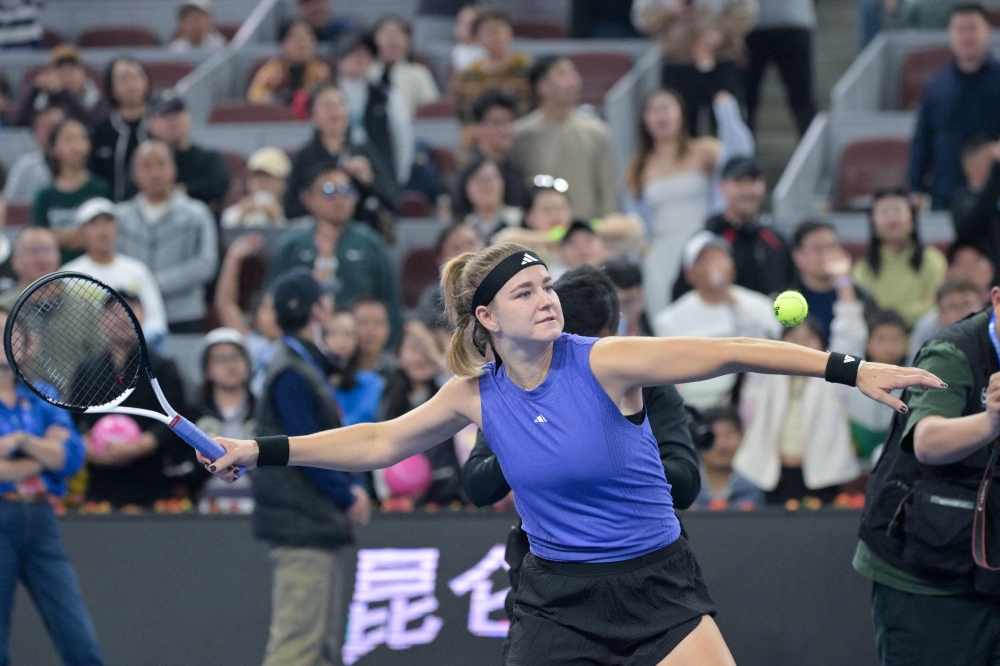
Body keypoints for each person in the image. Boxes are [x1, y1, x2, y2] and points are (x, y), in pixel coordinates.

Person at [204, 242, 943, 666]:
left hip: (658, 588)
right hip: (556, 599)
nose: (546, 299)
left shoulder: (606, 361)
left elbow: (729, 352)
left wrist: (851, 368)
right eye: (525, 293)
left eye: (546, 286)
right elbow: (376, 441)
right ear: (487, 318)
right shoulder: (474, 393)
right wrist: (256, 449)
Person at [461, 263, 701, 661]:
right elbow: (476, 485)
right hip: (549, 582)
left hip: (646, 573)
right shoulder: (513, 387)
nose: (587, 362)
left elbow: (687, 482)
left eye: (597, 348)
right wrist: (538, 447)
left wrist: (611, 458)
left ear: (615, 333)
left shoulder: (644, 378)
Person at [854, 287, 1000, 666]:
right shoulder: (953, 352)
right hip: (926, 572)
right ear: (997, 300)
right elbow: (927, 440)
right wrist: (990, 422)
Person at [251, 269, 371, 666]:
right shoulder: (292, 371)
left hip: (311, 523)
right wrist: (347, 493)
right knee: (297, 647)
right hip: (302, 524)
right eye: (326, 301)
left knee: (319, 649)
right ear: (316, 310)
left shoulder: (299, 365)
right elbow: (305, 450)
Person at [0, 307, 104, 666]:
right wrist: (44, 451)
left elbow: (73, 458)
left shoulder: (44, 392)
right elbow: (57, 457)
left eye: (9, 331)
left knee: (81, 644)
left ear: (29, 345)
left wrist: (18, 442)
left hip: (42, 521)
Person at [624, 88, 754, 314]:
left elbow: (740, 157)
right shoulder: (638, 167)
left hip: (702, 247)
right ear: (644, 120)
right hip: (661, 255)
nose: (661, 116)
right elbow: (633, 216)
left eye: (666, 108)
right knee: (666, 319)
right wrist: (641, 248)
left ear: (681, 114)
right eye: (653, 111)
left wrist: (727, 113)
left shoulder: (703, 151)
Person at [73, 292, 197, 508]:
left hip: (152, 483)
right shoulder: (87, 369)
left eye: (130, 311)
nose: (122, 318)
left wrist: (139, 446)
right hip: (100, 485)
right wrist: (85, 446)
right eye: (114, 312)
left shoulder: (163, 367)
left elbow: (176, 420)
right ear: (102, 320)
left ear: (143, 317)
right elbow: (73, 420)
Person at [735, 316, 866, 505]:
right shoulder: (766, 374)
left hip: (823, 475)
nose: (801, 343)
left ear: (822, 344)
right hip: (775, 475)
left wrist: (843, 286)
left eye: (809, 337)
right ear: (780, 343)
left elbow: (850, 338)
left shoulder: (834, 380)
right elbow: (749, 342)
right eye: (794, 337)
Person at [268, 164, 403, 344]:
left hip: (360, 341)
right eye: (329, 191)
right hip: (303, 339)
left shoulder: (370, 243)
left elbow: (390, 302)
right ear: (308, 198)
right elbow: (270, 301)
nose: (339, 198)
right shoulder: (292, 245)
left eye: (346, 190)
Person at [654, 231, 781, 409]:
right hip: (695, 407)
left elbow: (768, 354)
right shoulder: (669, 320)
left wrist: (725, 294)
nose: (715, 265)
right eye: (704, 260)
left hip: (752, 404)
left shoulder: (761, 306)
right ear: (689, 274)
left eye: (720, 257)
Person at [114, 141, 219, 334]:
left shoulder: (197, 213)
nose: (155, 173)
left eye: (161, 164)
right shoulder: (120, 217)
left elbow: (206, 263)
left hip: (184, 314)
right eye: (146, 166)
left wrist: (154, 284)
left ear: (174, 169)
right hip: (132, 316)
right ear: (134, 174)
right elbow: (114, 261)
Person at [908, 4, 1000, 210]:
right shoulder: (936, 86)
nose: (966, 36)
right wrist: (915, 187)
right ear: (949, 33)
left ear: (988, 31)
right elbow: (922, 140)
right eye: (959, 29)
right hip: (946, 191)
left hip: (994, 190)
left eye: (972, 28)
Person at [511, 56, 619, 221]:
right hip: (537, 236)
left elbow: (607, 192)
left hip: (584, 233)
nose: (573, 81)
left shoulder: (597, 132)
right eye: (562, 74)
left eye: (574, 74)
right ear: (542, 86)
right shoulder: (521, 136)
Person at [675, 156, 794, 302]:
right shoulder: (706, 240)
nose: (747, 191)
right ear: (722, 187)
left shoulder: (774, 239)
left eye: (753, 181)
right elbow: (682, 294)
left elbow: (792, 285)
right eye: (739, 182)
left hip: (772, 321)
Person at [631, 0, 757, 136]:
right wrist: (668, 12)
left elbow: (746, 12)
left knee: (728, 122)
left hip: (721, 59)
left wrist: (719, 33)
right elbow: (641, 20)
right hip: (677, 62)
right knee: (681, 128)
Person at [61, 197, 170, 349]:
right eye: (94, 223)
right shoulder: (67, 275)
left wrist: (131, 346)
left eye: (108, 222)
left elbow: (155, 319)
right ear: (81, 231)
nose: (103, 230)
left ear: (117, 228)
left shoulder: (138, 270)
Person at [283, 84, 399, 225]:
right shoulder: (304, 157)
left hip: (361, 229)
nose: (335, 112)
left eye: (340, 104)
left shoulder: (363, 151)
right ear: (312, 116)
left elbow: (393, 201)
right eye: (327, 106)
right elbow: (290, 209)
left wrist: (369, 181)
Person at [377, 320, 464, 506]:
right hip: (403, 503)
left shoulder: (451, 390)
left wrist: (436, 358)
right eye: (412, 348)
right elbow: (379, 443)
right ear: (398, 355)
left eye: (424, 348)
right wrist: (385, 495)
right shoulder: (387, 398)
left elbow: (463, 380)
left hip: (450, 498)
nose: (420, 357)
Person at [852, 187, 947, 327]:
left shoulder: (933, 261)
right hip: (878, 337)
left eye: (897, 210)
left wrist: (895, 315)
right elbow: (864, 310)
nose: (891, 218)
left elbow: (937, 304)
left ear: (913, 220)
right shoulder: (863, 268)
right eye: (884, 212)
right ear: (873, 225)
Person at [335, 33, 413, 186]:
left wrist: (400, 177)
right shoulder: (326, 95)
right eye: (354, 53)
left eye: (366, 54)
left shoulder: (386, 94)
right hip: (337, 176)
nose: (361, 58)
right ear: (339, 58)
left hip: (380, 174)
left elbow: (402, 136)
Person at [189, 328, 255, 507]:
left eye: (236, 357)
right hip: (203, 508)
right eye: (220, 359)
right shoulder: (193, 414)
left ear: (248, 363)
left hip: (260, 504)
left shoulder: (265, 410)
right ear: (206, 369)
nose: (230, 365)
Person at [31, 117, 111, 262]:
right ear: (53, 148)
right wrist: (80, 235)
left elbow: (103, 236)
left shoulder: (100, 188)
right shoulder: (44, 195)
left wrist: (58, 236)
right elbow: (39, 240)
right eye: (68, 139)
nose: (77, 146)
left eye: (82, 138)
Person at [789, 219, 880, 344]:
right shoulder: (786, 299)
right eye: (817, 249)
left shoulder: (861, 297)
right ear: (798, 256)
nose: (826, 254)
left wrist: (843, 281)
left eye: (831, 247)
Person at [214, 233, 283, 395]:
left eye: (279, 309)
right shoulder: (251, 344)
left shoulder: (298, 345)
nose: (275, 315)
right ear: (256, 317)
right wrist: (233, 258)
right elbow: (226, 305)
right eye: (268, 309)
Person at [743, 0, 817, 138]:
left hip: (790, 24)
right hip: (760, 26)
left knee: (801, 98)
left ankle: (812, 148)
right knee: (747, 99)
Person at [146, 92, 231, 212]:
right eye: (164, 114)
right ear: (150, 124)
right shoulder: (144, 162)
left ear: (189, 117)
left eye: (178, 111)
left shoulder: (210, 159)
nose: (172, 119)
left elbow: (218, 186)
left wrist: (180, 191)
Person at [452, 10, 533, 124]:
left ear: (510, 33)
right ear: (478, 38)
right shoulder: (468, 76)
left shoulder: (526, 68)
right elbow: (463, 114)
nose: (495, 35)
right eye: (489, 31)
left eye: (500, 29)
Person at [849, 311, 910, 464]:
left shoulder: (914, 385)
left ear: (906, 343)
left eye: (896, 339)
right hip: (853, 463)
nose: (889, 346)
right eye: (882, 339)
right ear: (867, 343)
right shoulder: (850, 378)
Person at [89, 58, 151, 202]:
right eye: (124, 79)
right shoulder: (99, 131)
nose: (132, 84)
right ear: (111, 88)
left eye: (137, 76)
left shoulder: (160, 124)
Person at [461, 90, 528, 212]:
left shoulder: (516, 171)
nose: (505, 130)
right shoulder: (468, 174)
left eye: (509, 121)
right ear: (478, 128)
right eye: (497, 122)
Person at [247, 20, 331, 117]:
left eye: (308, 37)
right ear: (282, 44)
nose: (303, 43)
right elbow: (255, 98)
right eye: (296, 38)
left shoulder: (322, 71)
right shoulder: (270, 71)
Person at [415, 222, 486, 332]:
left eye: (471, 243)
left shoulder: (499, 290)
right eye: (455, 247)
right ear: (440, 259)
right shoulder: (432, 298)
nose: (466, 253)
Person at [13, 45, 107, 128]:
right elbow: (19, 124)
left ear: (84, 73)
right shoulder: (43, 99)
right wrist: (35, 89)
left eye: (72, 70)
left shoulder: (95, 97)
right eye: (61, 71)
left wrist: (64, 92)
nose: (67, 76)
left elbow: (93, 125)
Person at [368, 15, 441, 117]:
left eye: (397, 33)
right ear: (374, 39)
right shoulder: (366, 72)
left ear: (408, 40)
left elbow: (432, 110)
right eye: (386, 32)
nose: (391, 38)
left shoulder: (419, 73)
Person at [692, 407, 763, 509]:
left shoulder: (755, 485)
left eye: (729, 434)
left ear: (742, 437)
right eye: (713, 436)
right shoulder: (685, 488)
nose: (721, 444)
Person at [324, 310, 384, 426]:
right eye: (333, 333)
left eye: (348, 334)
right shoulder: (313, 377)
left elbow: (361, 420)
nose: (341, 340)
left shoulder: (371, 382)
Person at [907, 277, 986, 365]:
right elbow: (914, 367)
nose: (962, 312)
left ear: (982, 306)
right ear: (940, 315)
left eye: (967, 304)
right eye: (952, 307)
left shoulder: (995, 326)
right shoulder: (927, 328)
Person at [951, 136, 1000, 270]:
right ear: (972, 163)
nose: (993, 164)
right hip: (980, 271)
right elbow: (975, 225)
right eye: (991, 160)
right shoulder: (961, 198)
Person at [2, 105, 63, 204]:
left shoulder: (75, 161)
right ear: (35, 133)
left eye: (53, 126)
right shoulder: (24, 164)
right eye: (43, 126)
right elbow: (8, 201)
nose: (49, 131)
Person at [453, 156, 522, 240]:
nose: (486, 185)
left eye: (491, 178)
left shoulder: (521, 219)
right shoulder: (458, 227)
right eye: (478, 179)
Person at [221, 147, 291, 227]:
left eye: (267, 178)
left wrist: (277, 218)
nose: (260, 184)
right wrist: (241, 216)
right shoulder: (233, 213)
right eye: (255, 178)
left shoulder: (294, 214)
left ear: (283, 182)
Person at [0, 228, 59, 311]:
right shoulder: (3, 308)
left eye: (47, 250)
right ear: (15, 261)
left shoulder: (81, 302)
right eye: (33, 250)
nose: (42, 258)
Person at [603, 259, 655, 336]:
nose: (619, 314)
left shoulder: (656, 347)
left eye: (627, 303)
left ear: (641, 300)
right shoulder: (587, 346)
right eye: (611, 305)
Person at [352, 297, 395, 375]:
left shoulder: (395, 370)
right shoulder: (337, 368)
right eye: (363, 322)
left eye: (378, 322)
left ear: (388, 329)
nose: (370, 329)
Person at [451, 4, 486, 73]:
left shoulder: (486, 51)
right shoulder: (458, 50)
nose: (463, 28)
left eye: (469, 24)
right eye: (461, 23)